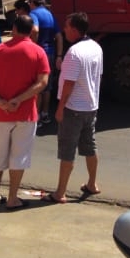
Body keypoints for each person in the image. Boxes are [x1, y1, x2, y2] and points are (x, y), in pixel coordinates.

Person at [0, 15, 50, 210]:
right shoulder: (38, 52)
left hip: (1, 112)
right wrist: (19, 99)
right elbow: (42, 82)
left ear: (13, 28)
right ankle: (12, 198)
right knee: (19, 156)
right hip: (26, 112)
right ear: (31, 31)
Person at [43, 12, 103, 203]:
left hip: (73, 108)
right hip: (90, 106)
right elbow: (97, 76)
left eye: (67, 27)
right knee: (89, 146)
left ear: (75, 30)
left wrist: (60, 108)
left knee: (67, 151)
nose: (64, 30)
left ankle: (60, 192)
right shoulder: (96, 47)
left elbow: (68, 84)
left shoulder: (74, 53)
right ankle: (92, 184)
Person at [27, 0, 62, 125]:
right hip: (51, 53)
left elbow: (34, 30)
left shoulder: (34, 14)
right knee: (47, 85)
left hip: (40, 54)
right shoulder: (50, 14)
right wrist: (59, 55)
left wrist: (33, 46)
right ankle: (45, 114)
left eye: (29, 3)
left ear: (32, 3)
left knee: (37, 85)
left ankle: (36, 118)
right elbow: (58, 36)